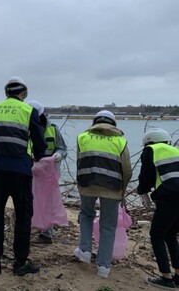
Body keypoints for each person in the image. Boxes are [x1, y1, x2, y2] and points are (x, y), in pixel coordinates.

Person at [0, 76, 46, 276]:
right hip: (19, 170)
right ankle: (20, 263)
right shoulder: (29, 111)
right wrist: (38, 156)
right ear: (24, 94)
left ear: (6, 93)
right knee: (23, 216)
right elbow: (39, 142)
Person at [74, 110, 131, 279]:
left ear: (95, 122)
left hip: (88, 185)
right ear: (113, 124)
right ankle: (103, 267)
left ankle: (84, 251)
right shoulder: (120, 141)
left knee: (86, 214)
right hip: (112, 188)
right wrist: (123, 191)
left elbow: (79, 161)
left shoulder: (82, 137)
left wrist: (80, 184)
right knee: (108, 226)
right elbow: (126, 170)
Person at [137, 128, 179, 289]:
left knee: (156, 235)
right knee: (171, 235)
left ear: (148, 141)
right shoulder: (176, 150)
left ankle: (166, 278)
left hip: (169, 198)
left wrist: (143, 192)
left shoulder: (151, 150)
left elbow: (146, 176)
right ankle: (178, 276)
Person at [27, 100, 68, 244]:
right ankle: (31, 227)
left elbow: (62, 148)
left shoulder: (53, 129)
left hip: (50, 173)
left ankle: (47, 233)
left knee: (48, 202)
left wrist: (58, 155)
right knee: (30, 200)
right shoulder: (24, 129)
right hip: (31, 171)